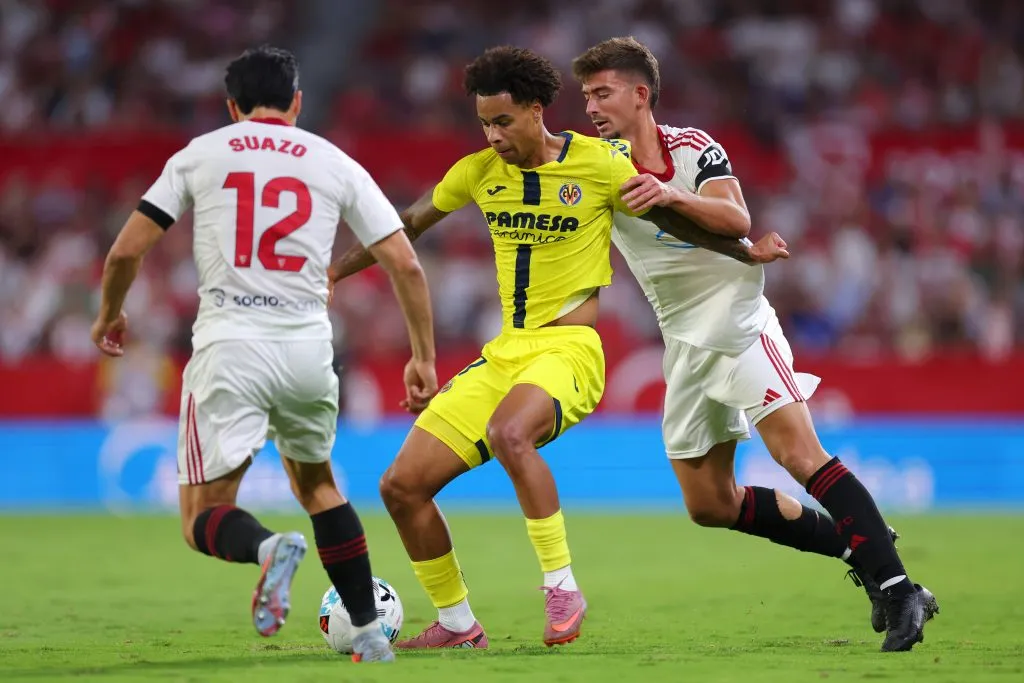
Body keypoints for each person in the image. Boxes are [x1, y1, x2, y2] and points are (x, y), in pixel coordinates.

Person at [326, 45, 788, 650]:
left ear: (537, 109)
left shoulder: (597, 162)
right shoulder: (476, 173)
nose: (493, 135)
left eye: (504, 121)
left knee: (509, 435)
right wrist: (331, 273)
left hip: (570, 350)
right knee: (400, 487)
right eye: (484, 123)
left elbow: (670, 220)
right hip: (505, 354)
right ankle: (458, 625)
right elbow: (403, 227)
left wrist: (742, 250)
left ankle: (562, 586)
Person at [570, 37, 939, 652]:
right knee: (709, 503)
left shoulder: (692, 148)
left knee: (799, 452)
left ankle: (900, 590)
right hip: (683, 338)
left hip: (739, 320)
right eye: (585, 95)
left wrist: (671, 195)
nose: (590, 106)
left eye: (602, 92)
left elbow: (735, 217)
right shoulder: (597, 161)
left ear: (641, 94)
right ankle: (863, 542)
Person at [90, 45, 438, 664]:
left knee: (203, 513)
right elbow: (406, 263)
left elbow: (124, 253)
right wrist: (422, 358)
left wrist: (111, 312)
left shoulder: (201, 153)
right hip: (308, 349)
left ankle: (267, 550)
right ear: (297, 103)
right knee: (320, 487)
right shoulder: (335, 162)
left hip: (231, 346)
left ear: (231, 107)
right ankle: (367, 633)